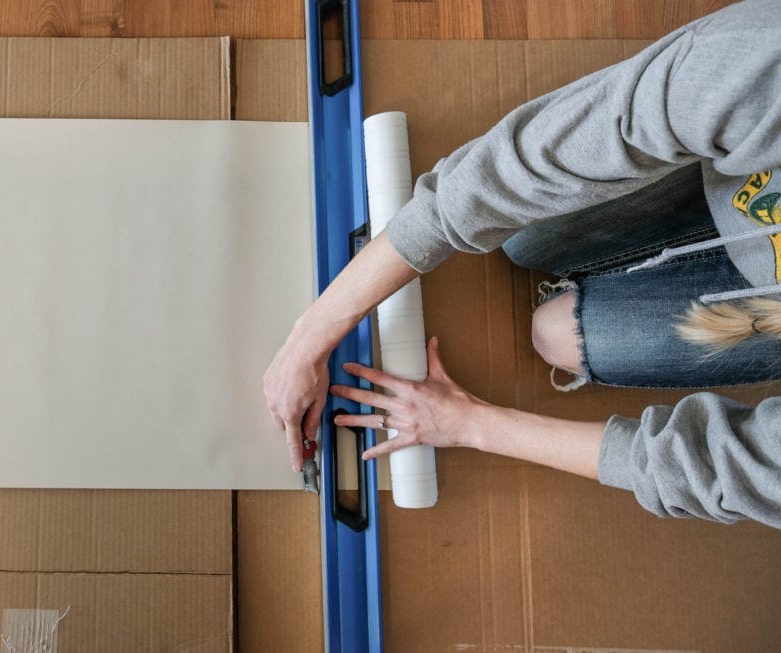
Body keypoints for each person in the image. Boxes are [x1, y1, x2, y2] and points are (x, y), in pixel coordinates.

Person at [263, 0, 781, 528]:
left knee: (557, 334)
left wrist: (470, 423)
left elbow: (723, 471)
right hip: (739, 188)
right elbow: (528, 164)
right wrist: (312, 333)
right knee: (524, 239)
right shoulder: (764, 63)